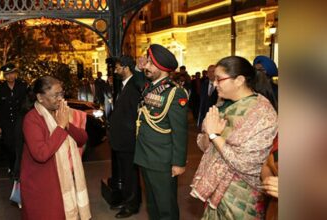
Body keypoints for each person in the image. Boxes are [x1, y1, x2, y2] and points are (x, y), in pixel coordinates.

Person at [190, 56, 278, 219]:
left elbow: (246, 164)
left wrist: (214, 135)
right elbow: (205, 146)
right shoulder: (223, 104)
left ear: (239, 80)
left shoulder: (262, 113)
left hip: (241, 195)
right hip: (217, 190)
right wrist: (209, 135)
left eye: (219, 79)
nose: (214, 83)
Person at [20, 76, 91, 220]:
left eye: (61, 94)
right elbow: (41, 154)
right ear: (40, 97)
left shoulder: (63, 112)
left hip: (63, 182)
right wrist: (60, 126)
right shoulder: (32, 119)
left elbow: (82, 139)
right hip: (42, 186)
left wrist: (66, 125)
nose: (60, 99)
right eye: (55, 95)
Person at [134, 44, 189, 220]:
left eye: (150, 63)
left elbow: (180, 132)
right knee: (152, 205)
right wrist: (137, 68)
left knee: (166, 208)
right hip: (146, 157)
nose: (146, 67)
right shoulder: (150, 87)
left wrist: (179, 163)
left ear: (162, 67)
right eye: (147, 62)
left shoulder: (174, 92)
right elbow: (136, 81)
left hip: (162, 161)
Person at [108, 56, 142, 218]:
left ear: (126, 67)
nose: (115, 70)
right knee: (127, 174)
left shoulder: (134, 84)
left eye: (117, 67)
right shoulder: (124, 85)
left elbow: (133, 114)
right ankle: (130, 200)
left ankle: (132, 205)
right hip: (121, 140)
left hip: (128, 140)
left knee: (130, 174)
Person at [0, 63, 28, 179]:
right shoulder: (0, 88)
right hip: (6, 123)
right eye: (7, 74)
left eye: (12, 73)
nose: (10, 76)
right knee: (9, 146)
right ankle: (12, 166)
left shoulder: (23, 86)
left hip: (20, 121)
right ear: (5, 76)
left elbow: (26, 105)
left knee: (20, 146)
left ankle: (18, 169)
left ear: (16, 74)